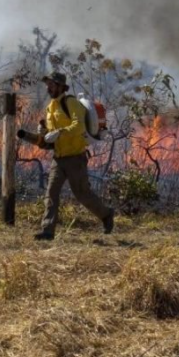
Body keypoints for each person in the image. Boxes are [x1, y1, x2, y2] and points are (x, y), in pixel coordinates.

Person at [34, 72, 114, 241]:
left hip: (75, 158)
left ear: (61, 86)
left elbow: (79, 126)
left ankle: (106, 214)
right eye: (47, 85)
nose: (48, 88)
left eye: (52, 85)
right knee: (51, 193)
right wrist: (44, 132)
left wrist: (60, 132)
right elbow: (50, 132)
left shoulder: (71, 103)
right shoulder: (50, 108)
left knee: (82, 194)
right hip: (58, 157)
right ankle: (47, 231)